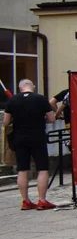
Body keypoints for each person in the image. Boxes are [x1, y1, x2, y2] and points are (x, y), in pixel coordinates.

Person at [3, 79, 57, 210]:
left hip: (19, 137)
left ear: (20, 88)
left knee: (22, 169)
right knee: (42, 168)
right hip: (37, 136)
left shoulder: (12, 100)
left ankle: (25, 200)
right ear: (32, 87)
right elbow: (51, 119)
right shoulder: (40, 99)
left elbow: (6, 122)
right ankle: (42, 200)